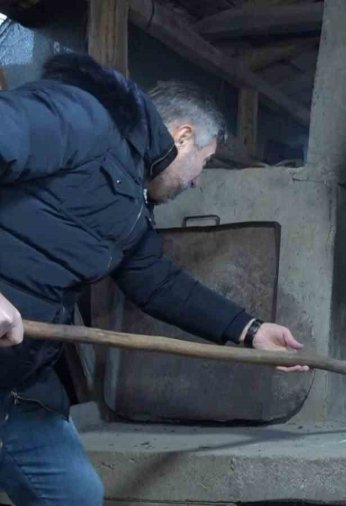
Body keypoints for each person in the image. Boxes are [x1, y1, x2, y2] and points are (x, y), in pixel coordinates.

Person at [0, 53, 308, 505]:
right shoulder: (79, 116)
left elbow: (158, 283)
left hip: (16, 380)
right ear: (182, 137)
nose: (198, 181)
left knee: (73, 494)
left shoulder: (130, 207)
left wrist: (250, 331)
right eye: (204, 163)